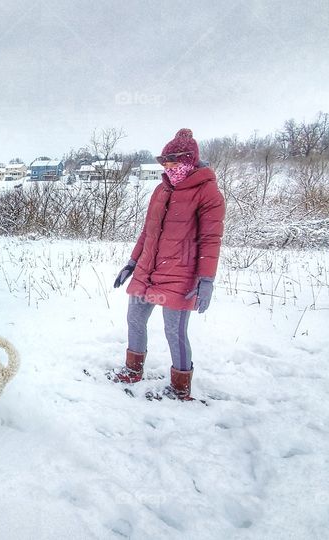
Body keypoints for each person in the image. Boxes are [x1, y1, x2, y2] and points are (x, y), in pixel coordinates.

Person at [111, 128, 225, 400]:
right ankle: (132, 370)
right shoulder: (160, 191)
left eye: (174, 162)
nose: (169, 167)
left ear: (189, 161)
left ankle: (180, 387)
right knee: (135, 318)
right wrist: (132, 262)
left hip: (181, 274)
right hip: (148, 268)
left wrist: (206, 279)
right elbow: (147, 231)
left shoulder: (208, 193)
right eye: (166, 162)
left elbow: (211, 239)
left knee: (174, 330)